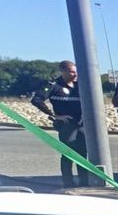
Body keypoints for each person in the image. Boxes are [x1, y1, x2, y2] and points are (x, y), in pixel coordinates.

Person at [32, 60, 87, 188]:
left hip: (81, 123)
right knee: (68, 154)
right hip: (66, 125)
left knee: (83, 154)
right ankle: (68, 182)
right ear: (63, 71)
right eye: (72, 72)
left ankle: (84, 182)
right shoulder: (53, 85)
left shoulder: (78, 85)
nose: (75, 74)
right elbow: (37, 100)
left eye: (76, 72)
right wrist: (53, 115)